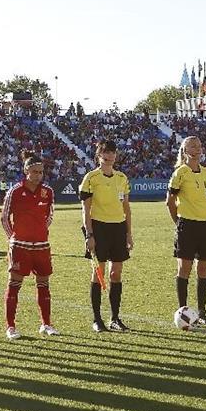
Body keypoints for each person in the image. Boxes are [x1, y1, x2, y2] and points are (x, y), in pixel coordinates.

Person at [0, 150, 58, 339]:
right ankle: (10, 327)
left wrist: (40, 231)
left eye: (41, 172)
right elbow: (4, 217)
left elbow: (49, 216)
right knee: (15, 283)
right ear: (26, 171)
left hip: (42, 245)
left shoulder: (47, 192)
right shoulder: (15, 191)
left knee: (43, 283)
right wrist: (13, 237)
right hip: (20, 246)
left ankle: (46, 324)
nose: (38, 175)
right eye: (34, 172)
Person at [79, 140, 133, 332]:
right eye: (105, 153)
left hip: (118, 228)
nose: (109, 157)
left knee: (115, 273)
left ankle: (115, 318)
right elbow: (85, 210)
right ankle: (97, 319)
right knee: (98, 273)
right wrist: (89, 234)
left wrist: (128, 233)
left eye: (112, 153)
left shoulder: (121, 178)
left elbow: (126, 207)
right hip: (99, 228)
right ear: (99, 156)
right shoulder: (91, 178)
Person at [166, 136, 206, 326]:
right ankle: (183, 311)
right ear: (184, 150)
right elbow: (170, 202)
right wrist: (178, 223)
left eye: (199, 146)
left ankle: (202, 312)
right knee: (184, 269)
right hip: (187, 225)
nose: (196, 149)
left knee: (203, 269)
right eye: (192, 146)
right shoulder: (180, 173)